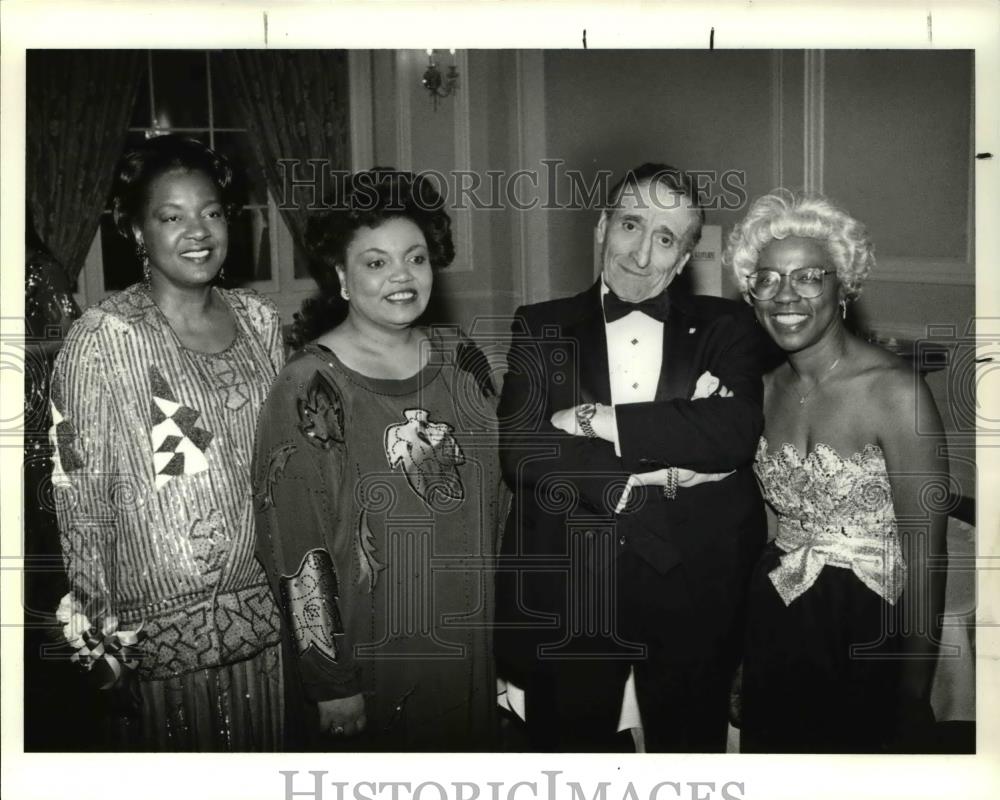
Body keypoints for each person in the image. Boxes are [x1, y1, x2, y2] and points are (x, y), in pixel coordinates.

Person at [495, 162, 768, 752]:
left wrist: (596, 421)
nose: (641, 255)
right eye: (630, 225)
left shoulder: (729, 326)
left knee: (688, 766)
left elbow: (735, 431)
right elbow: (522, 448)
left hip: (694, 594)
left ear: (686, 255)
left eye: (665, 238)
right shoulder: (541, 326)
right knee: (568, 769)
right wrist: (638, 475)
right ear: (602, 226)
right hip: (574, 593)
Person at [49, 134, 285, 751]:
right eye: (171, 216)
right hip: (154, 651)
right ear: (136, 231)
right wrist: (99, 650)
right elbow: (81, 498)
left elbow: (287, 473)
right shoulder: (105, 339)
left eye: (210, 212)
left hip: (269, 630)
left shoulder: (260, 321)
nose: (197, 231)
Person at [252, 169, 502, 751]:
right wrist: (331, 680)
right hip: (373, 654)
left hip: (469, 634)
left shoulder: (461, 357)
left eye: (415, 258)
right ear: (340, 275)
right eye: (375, 262)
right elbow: (296, 548)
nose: (401, 276)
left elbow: (501, 490)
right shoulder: (309, 386)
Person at [725, 190, 948, 752]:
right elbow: (770, 533)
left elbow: (927, 554)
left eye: (807, 277)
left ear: (841, 287)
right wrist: (743, 656)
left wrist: (913, 694)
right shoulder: (763, 390)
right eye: (768, 279)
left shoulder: (895, 392)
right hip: (778, 614)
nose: (785, 296)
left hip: (871, 622)